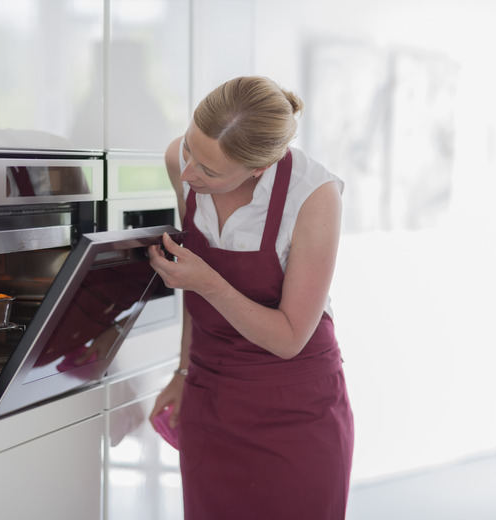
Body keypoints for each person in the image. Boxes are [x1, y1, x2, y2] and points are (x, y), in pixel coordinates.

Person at [147, 76, 354, 519]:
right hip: (209, 396)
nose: (188, 174)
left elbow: (289, 338)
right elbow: (190, 285)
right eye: (190, 149)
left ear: (260, 167)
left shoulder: (314, 196)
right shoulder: (180, 160)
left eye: (209, 172)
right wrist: (182, 372)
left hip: (294, 408)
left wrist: (209, 282)